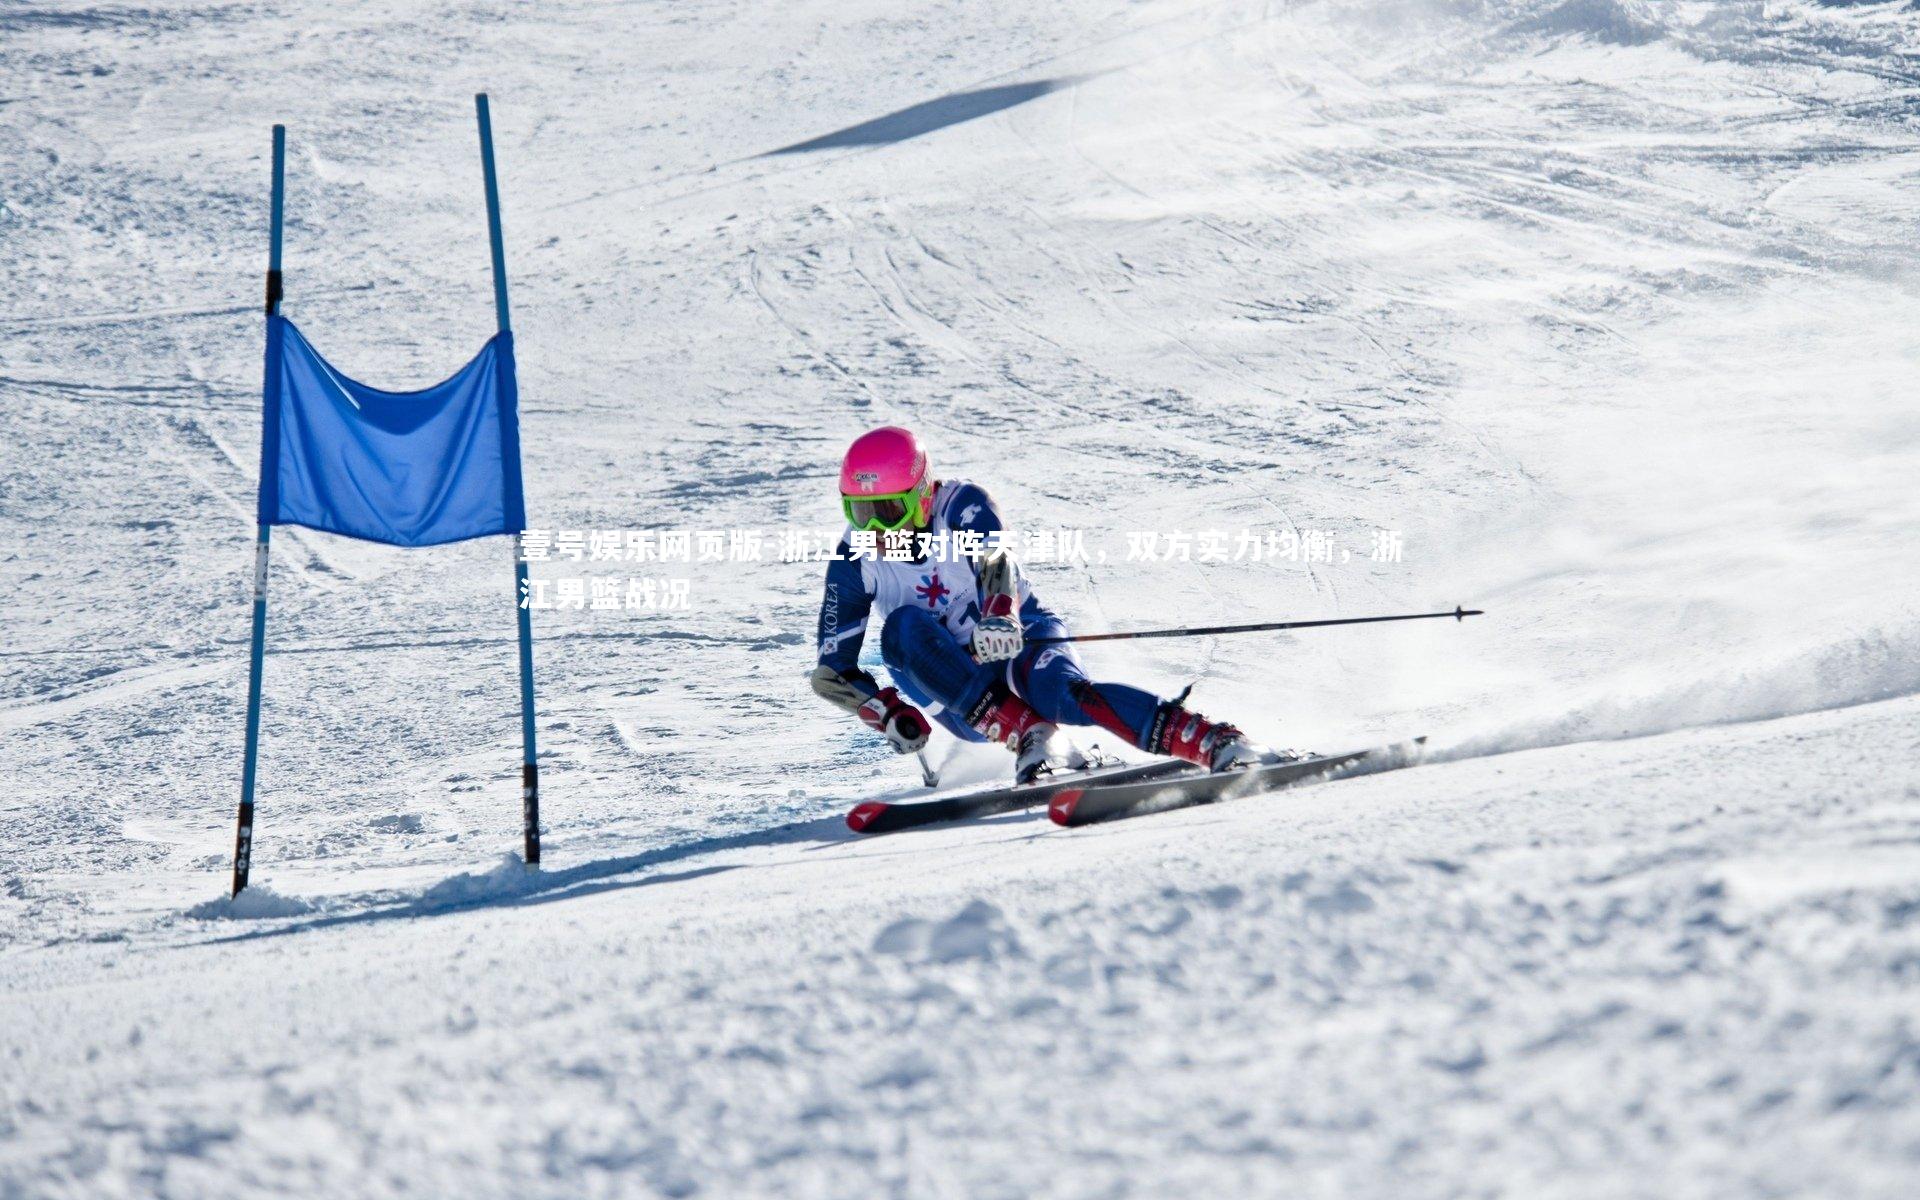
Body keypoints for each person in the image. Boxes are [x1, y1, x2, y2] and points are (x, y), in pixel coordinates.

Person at [809, 425, 1287, 784]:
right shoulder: (855, 557)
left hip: (1017, 639)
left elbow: (996, 558)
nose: (878, 532)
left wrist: (999, 612)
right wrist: (885, 711)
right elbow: (832, 671)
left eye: (889, 512)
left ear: (922, 493)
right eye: (861, 513)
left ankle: (1217, 743)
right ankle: (1036, 738)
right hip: (959, 690)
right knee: (902, 631)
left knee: (1062, 692)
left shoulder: (961, 505)